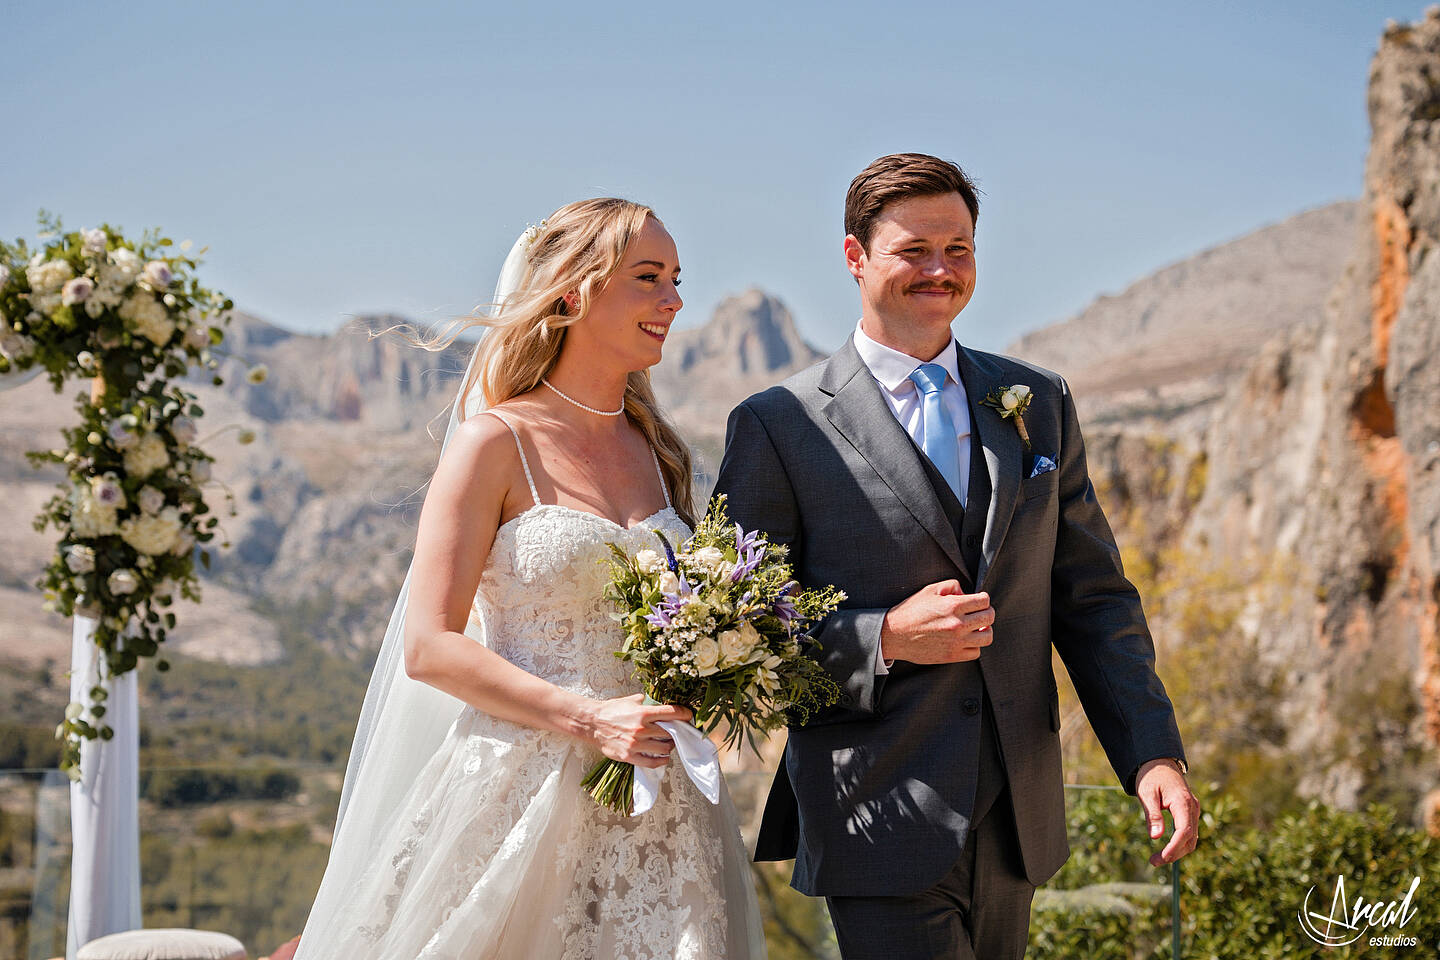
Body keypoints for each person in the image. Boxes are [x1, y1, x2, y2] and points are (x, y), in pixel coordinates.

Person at [712, 153, 1199, 959]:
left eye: (959, 249)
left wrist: (1151, 752)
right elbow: (736, 633)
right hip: (874, 809)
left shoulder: (1038, 401)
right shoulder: (777, 424)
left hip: (1018, 815)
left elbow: (1094, 600)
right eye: (913, 251)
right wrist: (883, 639)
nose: (940, 271)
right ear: (854, 257)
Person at [294, 198, 766, 959]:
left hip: (660, 807)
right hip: (516, 797)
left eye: (677, 279)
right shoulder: (493, 443)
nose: (674, 301)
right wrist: (588, 718)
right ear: (573, 292)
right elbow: (430, 647)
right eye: (648, 278)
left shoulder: (661, 451)